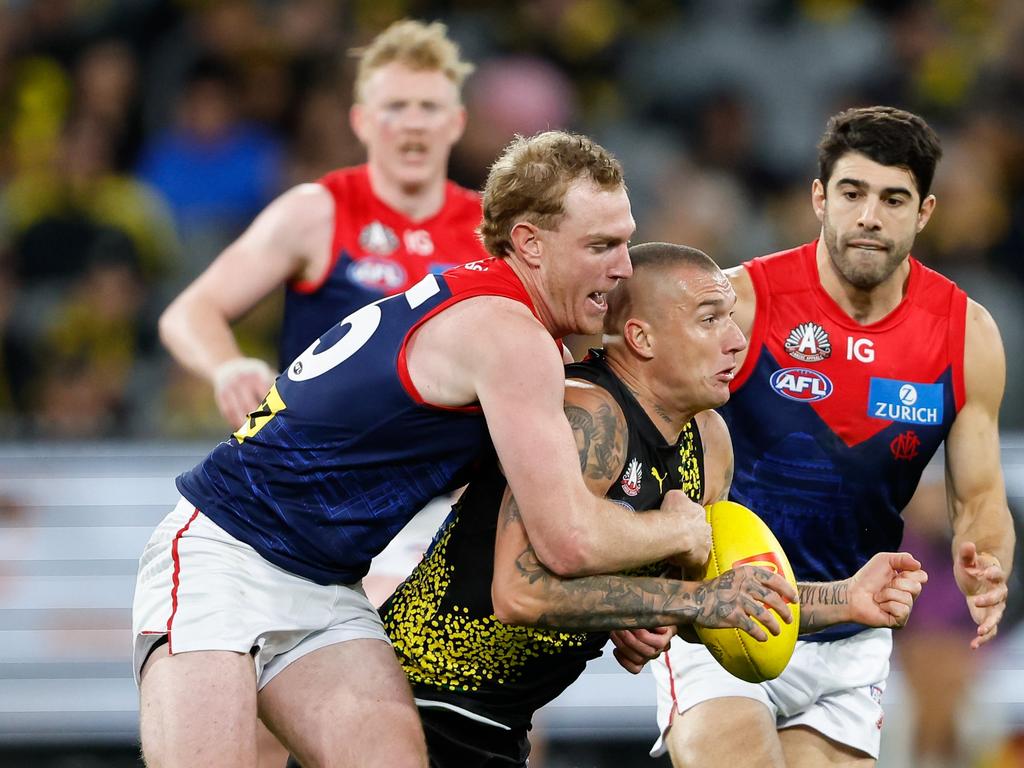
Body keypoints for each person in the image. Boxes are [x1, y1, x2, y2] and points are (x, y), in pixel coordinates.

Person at [131, 130, 724, 768]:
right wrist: (676, 531)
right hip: (224, 554)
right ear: (528, 242)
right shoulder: (512, 338)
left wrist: (621, 606)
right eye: (601, 245)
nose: (625, 267)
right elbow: (567, 541)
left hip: (326, 584)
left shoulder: (504, 320)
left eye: (625, 241)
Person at [380, 242, 928, 768]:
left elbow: (718, 604)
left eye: (733, 319)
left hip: (499, 724)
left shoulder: (709, 442)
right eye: (710, 319)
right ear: (642, 337)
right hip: (411, 702)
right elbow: (520, 593)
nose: (737, 341)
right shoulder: (586, 413)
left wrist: (848, 596)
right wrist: (680, 601)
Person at [644, 106, 1015, 767]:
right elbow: (656, 424)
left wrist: (983, 560)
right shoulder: (740, 302)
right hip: (728, 615)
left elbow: (980, 494)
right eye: (852, 193)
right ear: (819, 198)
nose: (870, 215)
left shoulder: (966, 334)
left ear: (924, 211)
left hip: (853, 631)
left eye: (893, 198)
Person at [157, 19, 489, 428]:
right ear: (361, 121)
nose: (413, 123)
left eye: (429, 107)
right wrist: (229, 369)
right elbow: (188, 312)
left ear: (456, 122)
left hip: (450, 478)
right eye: (395, 107)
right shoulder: (316, 213)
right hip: (321, 476)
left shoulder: (491, 229)